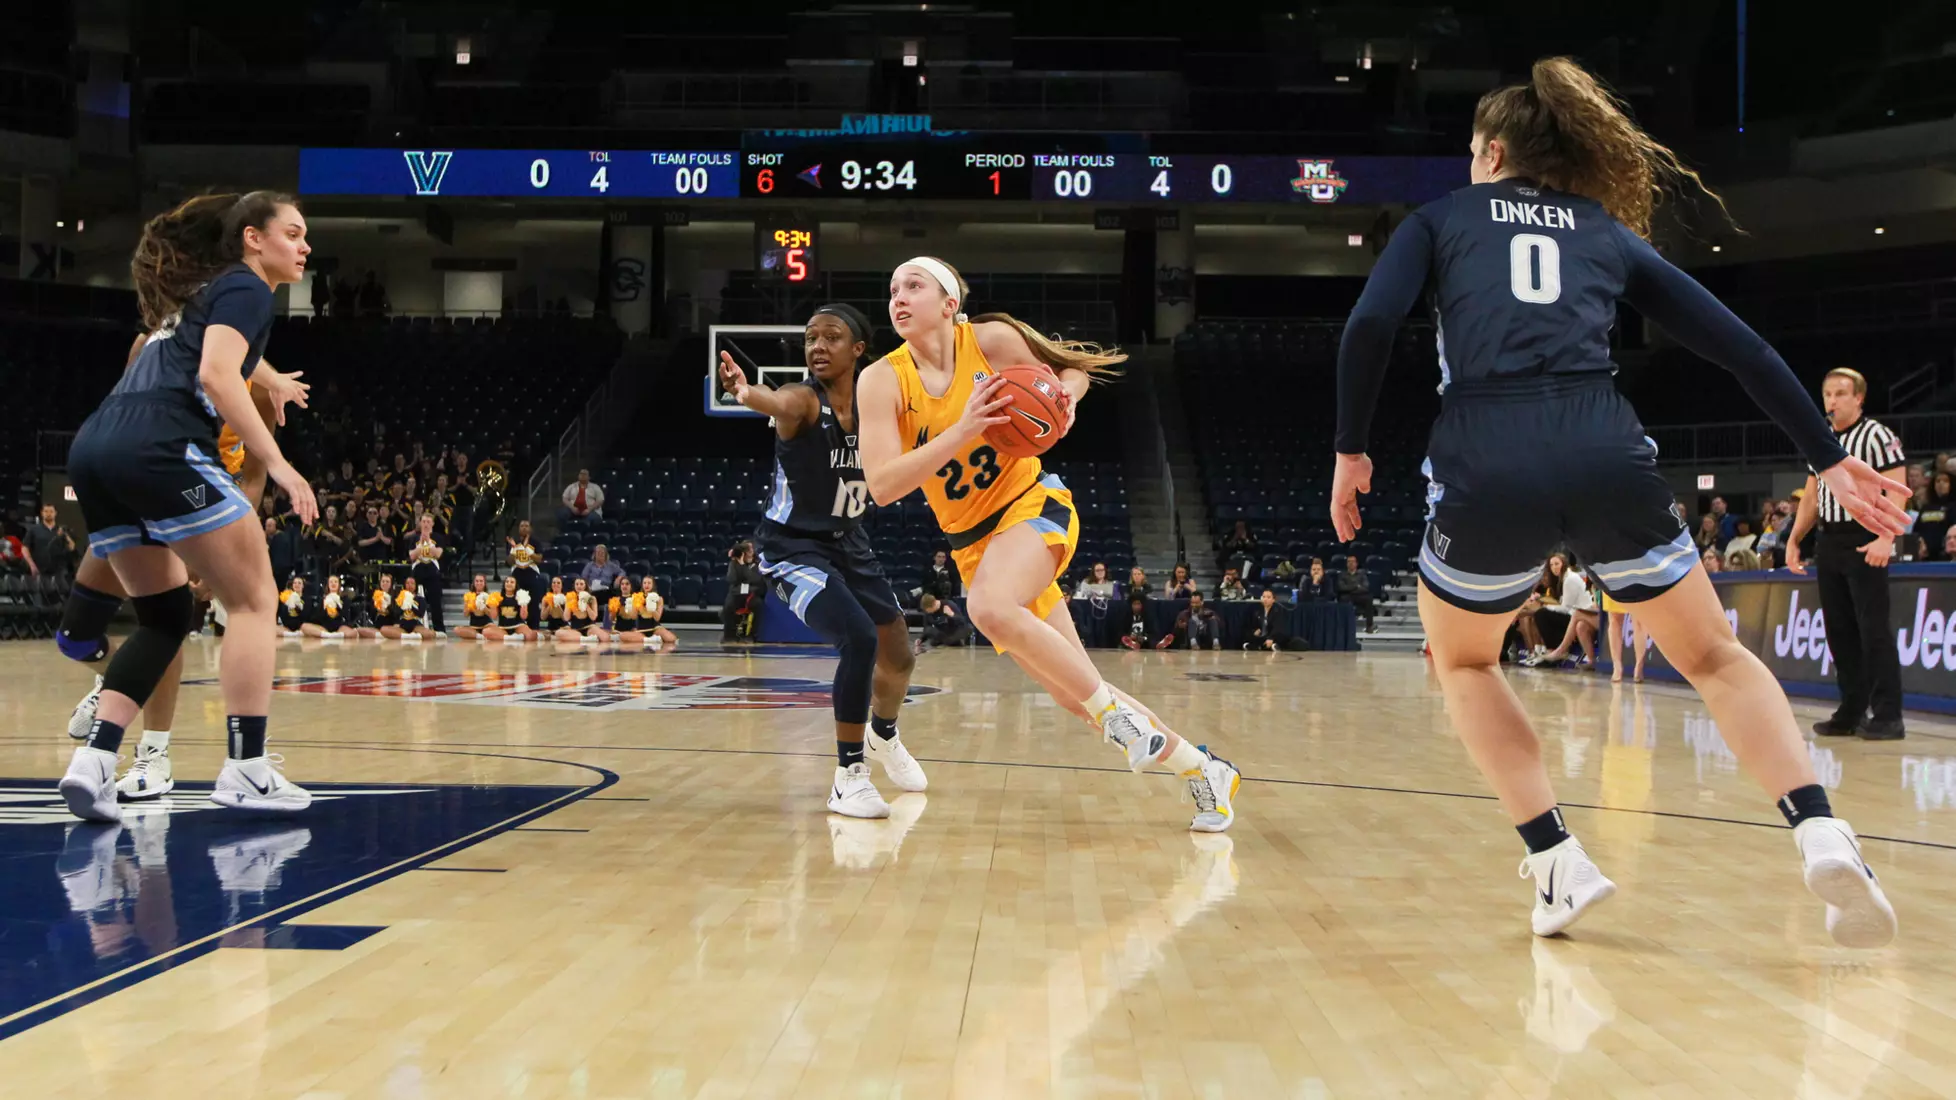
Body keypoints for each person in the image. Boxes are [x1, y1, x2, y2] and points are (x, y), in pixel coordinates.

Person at [1331, 57, 1903, 945]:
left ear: (1488, 151)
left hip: (1491, 454)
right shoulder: (1600, 229)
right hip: (1604, 448)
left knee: (1468, 663)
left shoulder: (1439, 221)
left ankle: (1558, 861)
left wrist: (1351, 449)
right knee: (1714, 656)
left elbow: (1369, 325)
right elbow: (1743, 349)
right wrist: (1826, 458)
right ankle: (1822, 829)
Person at [856, 257, 1239, 830]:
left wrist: (1062, 402)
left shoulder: (991, 339)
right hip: (973, 543)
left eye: (914, 285)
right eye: (892, 289)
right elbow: (883, 486)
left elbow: (1071, 374)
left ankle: (1117, 718)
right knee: (1072, 692)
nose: (898, 297)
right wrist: (963, 429)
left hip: (1032, 506)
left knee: (988, 608)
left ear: (950, 303)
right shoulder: (882, 379)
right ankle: (1203, 769)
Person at [58, 191, 317, 822]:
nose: (305, 245)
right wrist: (279, 463)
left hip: (95, 448)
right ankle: (247, 769)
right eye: (293, 232)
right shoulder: (247, 289)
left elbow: (219, 360)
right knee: (255, 601)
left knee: (165, 617)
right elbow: (216, 374)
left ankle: (93, 763)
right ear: (253, 238)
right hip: (161, 447)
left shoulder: (197, 298)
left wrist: (272, 378)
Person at [719, 301, 925, 816]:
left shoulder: (880, 405)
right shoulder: (803, 402)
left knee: (898, 653)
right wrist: (746, 393)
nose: (817, 346)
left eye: (831, 337)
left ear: (858, 350)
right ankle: (848, 774)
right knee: (856, 638)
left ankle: (883, 734)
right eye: (811, 338)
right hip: (793, 547)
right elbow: (779, 402)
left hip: (851, 541)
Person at [1786, 368, 1911, 742]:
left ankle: (1889, 715)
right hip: (1830, 541)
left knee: (1872, 629)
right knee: (1839, 632)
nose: (1833, 401)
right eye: (1827, 394)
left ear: (1859, 398)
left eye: (1841, 393)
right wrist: (1795, 539)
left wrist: (1886, 538)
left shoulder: (1876, 435)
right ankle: (1851, 710)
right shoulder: (1820, 441)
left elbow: (1899, 488)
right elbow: (1811, 495)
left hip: (1865, 536)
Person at [1523, 555, 1599, 668]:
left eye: (1557, 564)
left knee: (1541, 614)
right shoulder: (1562, 579)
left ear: (1564, 563)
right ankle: (1536, 652)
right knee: (1529, 616)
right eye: (1551, 565)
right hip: (1576, 615)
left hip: (1579, 614)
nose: (1554, 567)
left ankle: (1557, 650)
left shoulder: (1570, 579)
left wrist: (1544, 606)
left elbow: (1566, 608)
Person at [407, 512, 446, 631]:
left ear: (433, 523)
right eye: (423, 521)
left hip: (432, 572)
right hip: (418, 572)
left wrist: (428, 540)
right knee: (413, 600)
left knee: (435, 602)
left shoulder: (438, 537)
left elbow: (438, 554)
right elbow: (412, 556)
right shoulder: (414, 538)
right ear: (420, 523)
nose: (426, 524)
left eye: (428, 522)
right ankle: (412, 626)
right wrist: (420, 545)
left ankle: (439, 629)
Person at [1602, 590, 1650, 683]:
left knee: (1639, 619)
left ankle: (1639, 666)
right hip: (1613, 577)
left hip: (1638, 577)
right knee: (1614, 618)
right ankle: (1617, 667)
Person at [722, 541, 765, 642]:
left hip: (753, 593)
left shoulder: (758, 563)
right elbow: (731, 579)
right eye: (747, 550)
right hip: (737, 594)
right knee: (727, 607)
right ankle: (730, 635)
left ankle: (750, 635)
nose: (750, 552)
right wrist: (736, 562)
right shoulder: (735, 563)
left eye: (751, 550)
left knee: (757, 605)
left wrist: (742, 566)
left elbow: (755, 580)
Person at [23, 503, 76, 578]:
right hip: (39, 569)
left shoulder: (61, 530)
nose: (48, 514)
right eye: (46, 511)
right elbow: (25, 548)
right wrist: (31, 565)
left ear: (55, 513)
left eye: (51, 511)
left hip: (59, 571)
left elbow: (71, 547)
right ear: (42, 513)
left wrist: (65, 535)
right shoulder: (34, 530)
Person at [507, 519, 544, 625]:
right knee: (516, 603)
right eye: (522, 526)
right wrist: (514, 549)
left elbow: (539, 559)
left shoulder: (536, 542)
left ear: (530, 528)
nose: (524, 527)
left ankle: (534, 628)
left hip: (531, 573)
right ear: (518, 529)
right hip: (517, 574)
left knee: (533, 604)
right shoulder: (514, 542)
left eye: (526, 526)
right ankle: (515, 626)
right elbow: (510, 561)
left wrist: (527, 549)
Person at [1158, 591, 1222, 651]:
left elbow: (1220, 624)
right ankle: (1193, 644)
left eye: (1196, 603)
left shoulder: (1209, 612)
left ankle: (1216, 643)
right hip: (1191, 637)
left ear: (1202, 602)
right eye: (1192, 602)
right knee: (1191, 621)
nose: (1194, 605)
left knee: (1213, 620)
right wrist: (1182, 626)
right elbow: (1176, 629)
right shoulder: (1183, 614)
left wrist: (1212, 618)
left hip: (1206, 636)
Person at [1334, 555, 1377, 633]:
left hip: (1359, 596)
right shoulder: (1342, 575)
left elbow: (1366, 587)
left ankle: (1369, 626)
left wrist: (1350, 588)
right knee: (1343, 599)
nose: (1351, 563)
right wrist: (1356, 586)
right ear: (1347, 564)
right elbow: (1341, 587)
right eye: (1349, 562)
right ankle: (1342, 626)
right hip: (1347, 596)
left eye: (1353, 561)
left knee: (1369, 598)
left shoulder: (1362, 575)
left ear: (1356, 564)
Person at [636, 575, 680, 650]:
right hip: (641, 628)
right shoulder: (637, 597)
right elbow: (633, 616)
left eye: (649, 583)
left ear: (653, 585)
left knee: (672, 639)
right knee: (625, 637)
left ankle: (655, 639)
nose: (646, 585)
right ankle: (650, 640)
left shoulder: (659, 599)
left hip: (654, 627)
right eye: (644, 583)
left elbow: (657, 618)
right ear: (642, 585)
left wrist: (652, 608)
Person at [304, 573, 353, 638]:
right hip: (325, 628)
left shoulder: (345, 599)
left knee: (353, 632)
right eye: (331, 582)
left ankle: (336, 635)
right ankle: (328, 635)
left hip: (340, 627)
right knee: (304, 626)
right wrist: (324, 607)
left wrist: (338, 605)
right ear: (328, 585)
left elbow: (346, 618)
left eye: (335, 582)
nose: (333, 584)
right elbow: (317, 618)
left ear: (339, 585)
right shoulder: (323, 599)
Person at [454, 574, 498, 640]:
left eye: (481, 581)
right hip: (474, 627)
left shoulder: (489, 596)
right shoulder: (468, 595)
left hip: (487, 625)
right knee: (457, 629)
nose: (479, 583)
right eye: (477, 581)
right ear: (474, 583)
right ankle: (479, 636)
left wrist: (484, 607)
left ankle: (483, 634)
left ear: (484, 583)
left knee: (493, 629)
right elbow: (466, 615)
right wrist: (469, 606)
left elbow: (492, 616)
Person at [493, 574, 535, 641]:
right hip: (503, 627)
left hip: (518, 626)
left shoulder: (520, 596)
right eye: (507, 582)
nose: (509, 583)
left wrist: (524, 605)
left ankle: (510, 637)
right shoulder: (498, 597)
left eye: (512, 582)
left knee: (530, 636)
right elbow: (494, 616)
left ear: (515, 585)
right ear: (504, 584)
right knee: (486, 632)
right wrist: (493, 605)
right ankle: (512, 638)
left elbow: (524, 617)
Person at [394, 574, 437, 641]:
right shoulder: (400, 597)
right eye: (407, 583)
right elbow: (397, 613)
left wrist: (411, 604)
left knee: (430, 634)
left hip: (415, 624)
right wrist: (404, 604)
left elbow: (421, 614)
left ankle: (410, 635)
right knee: (385, 630)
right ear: (404, 585)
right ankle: (408, 635)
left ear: (415, 585)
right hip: (402, 624)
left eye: (412, 583)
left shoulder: (420, 599)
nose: (410, 585)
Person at [370, 572, 404, 637]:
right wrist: (377, 609)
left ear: (391, 584)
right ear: (380, 583)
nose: (385, 583)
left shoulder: (397, 596)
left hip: (392, 623)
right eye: (383, 581)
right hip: (378, 623)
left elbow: (397, 613)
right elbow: (371, 613)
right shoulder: (376, 595)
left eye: (387, 582)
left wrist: (388, 608)